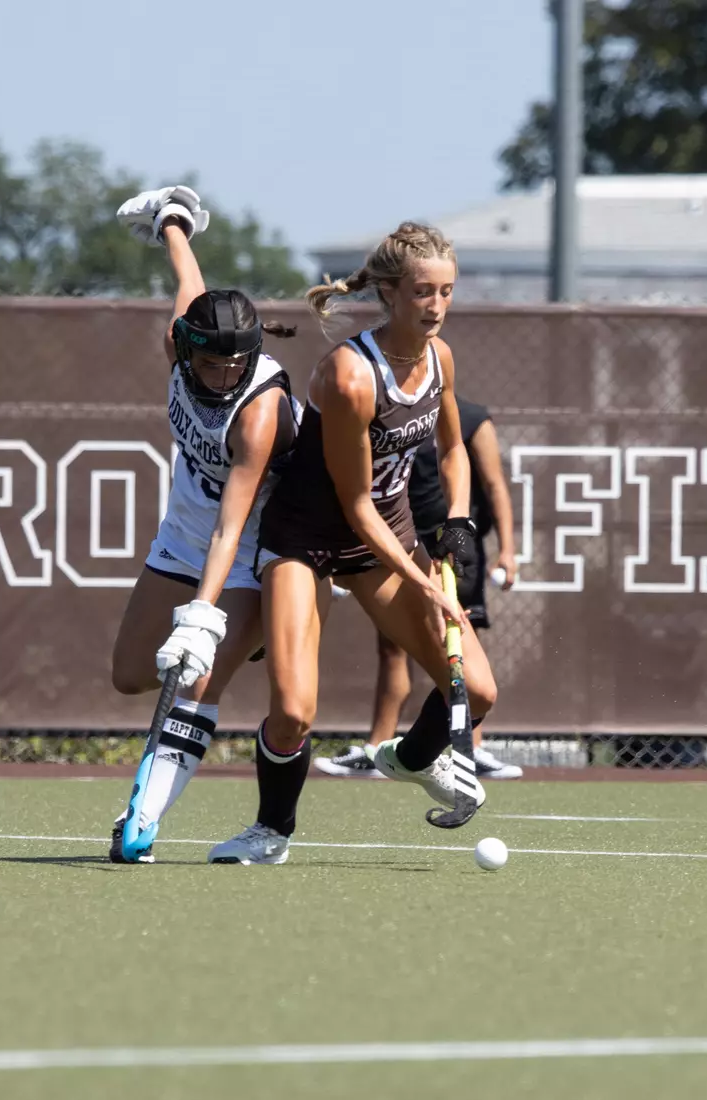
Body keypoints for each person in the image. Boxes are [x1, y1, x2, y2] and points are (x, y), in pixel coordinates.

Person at [183, 221, 498, 865]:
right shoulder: (349, 376)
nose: (437, 306)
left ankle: (408, 760)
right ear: (387, 293)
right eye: (422, 292)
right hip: (306, 539)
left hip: (386, 534)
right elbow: (356, 506)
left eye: (447, 292)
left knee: (480, 690)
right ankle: (271, 830)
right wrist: (422, 585)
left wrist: (458, 523)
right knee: (296, 711)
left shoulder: (440, 359)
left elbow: (452, 451)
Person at [107, 186, 297, 863]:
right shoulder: (180, 346)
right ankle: (243, 638)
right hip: (180, 537)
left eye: (233, 362)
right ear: (186, 349)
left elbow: (233, 521)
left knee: (195, 681)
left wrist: (201, 615)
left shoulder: (258, 410)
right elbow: (190, 286)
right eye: (208, 361)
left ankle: (143, 817)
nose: (220, 374)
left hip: (246, 547)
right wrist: (173, 222)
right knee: (129, 675)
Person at [316, 396, 523, 780]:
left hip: (453, 546)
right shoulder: (388, 416)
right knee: (391, 646)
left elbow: (494, 484)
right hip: (401, 541)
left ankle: (470, 749)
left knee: (460, 641)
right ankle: (378, 749)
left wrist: (508, 550)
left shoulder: (474, 417)